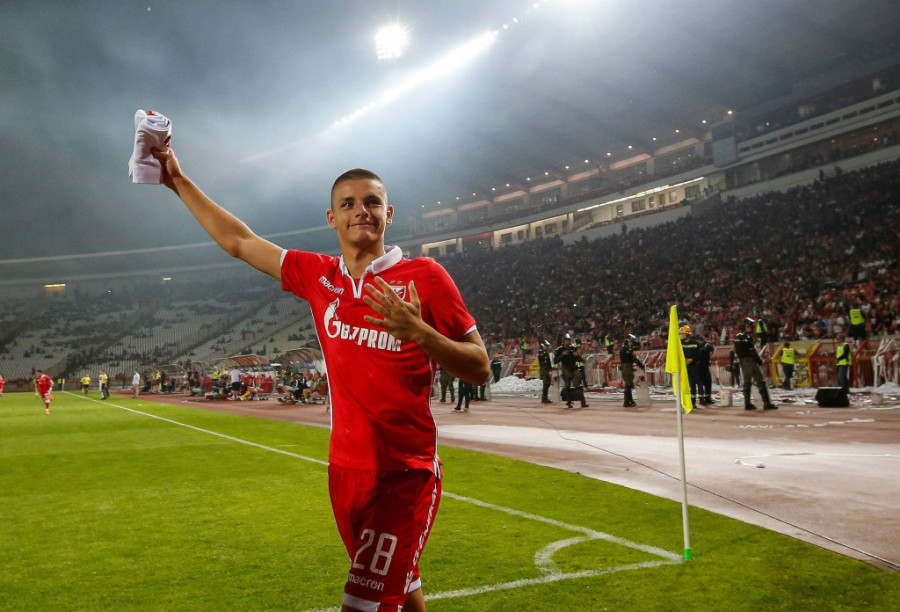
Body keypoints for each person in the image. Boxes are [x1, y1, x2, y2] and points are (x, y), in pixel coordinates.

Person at [152, 147, 489, 612]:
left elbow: (480, 366)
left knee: (362, 604)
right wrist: (177, 180)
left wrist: (421, 333)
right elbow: (240, 241)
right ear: (332, 219)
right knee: (401, 590)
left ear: (389, 213)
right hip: (344, 470)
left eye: (371, 202)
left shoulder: (425, 277)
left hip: (403, 474)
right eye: (348, 204)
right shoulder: (319, 276)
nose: (360, 211)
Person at [734, 318, 777, 411]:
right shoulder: (748, 336)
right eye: (749, 327)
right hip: (750, 361)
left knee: (747, 382)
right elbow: (752, 351)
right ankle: (766, 403)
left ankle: (747, 403)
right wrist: (759, 361)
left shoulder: (737, 336)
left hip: (742, 362)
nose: (751, 328)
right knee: (760, 381)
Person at [555, 334, 588, 408]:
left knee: (578, 385)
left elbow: (578, 358)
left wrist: (578, 356)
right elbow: (555, 361)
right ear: (563, 341)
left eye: (569, 340)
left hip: (574, 367)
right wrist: (562, 355)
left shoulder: (573, 348)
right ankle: (569, 402)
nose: (568, 342)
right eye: (566, 340)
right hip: (566, 368)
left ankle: (583, 402)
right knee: (567, 385)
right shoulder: (560, 349)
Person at [619, 334, 644, 407]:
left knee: (629, 384)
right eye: (630, 342)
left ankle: (630, 400)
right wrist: (640, 365)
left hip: (628, 367)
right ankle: (627, 402)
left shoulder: (626, 349)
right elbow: (633, 358)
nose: (631, 343)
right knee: (628, 384)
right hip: (626, 367)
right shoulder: (625, 349)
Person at [680, 326, 700, 407]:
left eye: (683, 333)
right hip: (682, 366)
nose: (682, 335)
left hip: (692, 366)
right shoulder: (680, 343)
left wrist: (692, 360)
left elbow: (699, 354)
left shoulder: (695, 343)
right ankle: (684, 401)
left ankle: (693, 402)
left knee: (693, 384)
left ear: (688, 334)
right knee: (683, 384)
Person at [695, 335, 714, 405]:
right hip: (699, 367)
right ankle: (702, 399)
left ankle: (707, 398)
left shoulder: (706, 346)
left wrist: (705, 346)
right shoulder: (697, 347)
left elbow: (711, 348)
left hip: (705, 367)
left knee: (707, 383)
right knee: (701, 383)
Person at [537, 339, 553, 404]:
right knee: (546, 384)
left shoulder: (545, 353)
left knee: (547, 384)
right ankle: (544, 398)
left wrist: (550, 369)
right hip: (545, 370)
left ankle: (545, 398)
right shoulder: (542, 354)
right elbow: (545, 363)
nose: (547, 347)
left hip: (546, 369)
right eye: (546, 346)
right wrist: (549, 370)